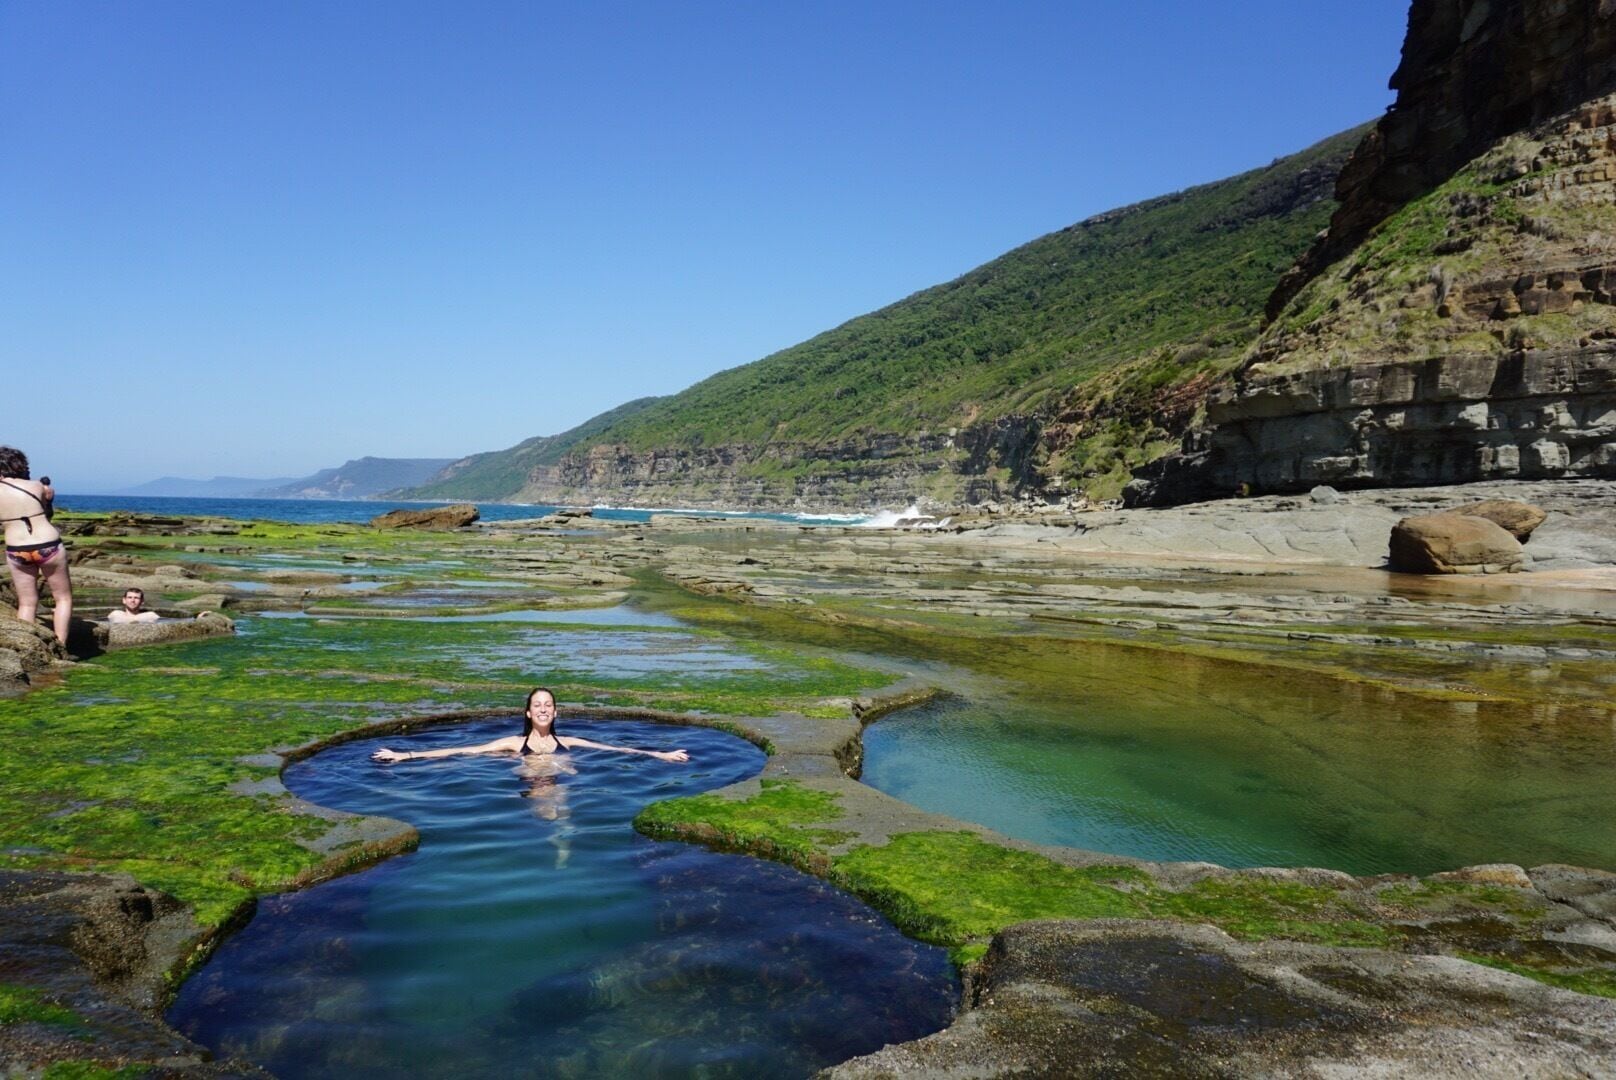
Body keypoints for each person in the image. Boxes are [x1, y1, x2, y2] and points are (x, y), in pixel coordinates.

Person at [369, 687, 692, 764]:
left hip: (564, 782)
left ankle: (561, 847)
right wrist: (406, 755)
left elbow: (616, 748)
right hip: (532, 787)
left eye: (547, 705)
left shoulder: (568, 741)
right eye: (536, 705)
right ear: (527, 713)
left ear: (555, 712)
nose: (542, 709)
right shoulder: (513, 743)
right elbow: (466, 749)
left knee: (561, 807)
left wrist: (661, 755)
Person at [0, 447, 71, 645]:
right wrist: (49, 500)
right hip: (48, 545)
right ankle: (61, 647)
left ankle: (27, 645)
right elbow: (47, 516)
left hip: (16, 549)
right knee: (63, 599)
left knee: (27, 603)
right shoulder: (37, 486)